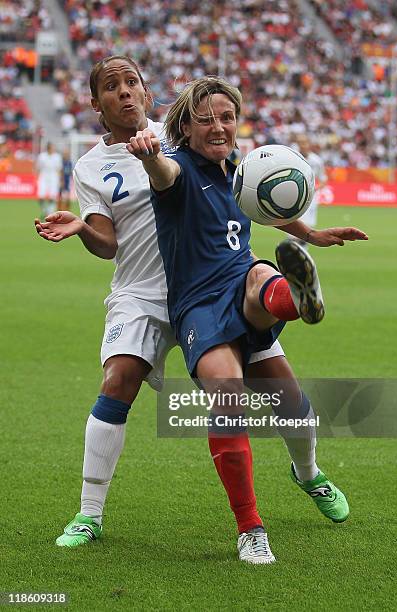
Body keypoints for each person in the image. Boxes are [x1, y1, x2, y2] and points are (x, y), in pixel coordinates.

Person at [34, 56, 291, 556]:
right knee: (119, 379)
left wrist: (304, 231)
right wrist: (84, 228)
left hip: (210, 284)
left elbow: (238, 189)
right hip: (143, 292)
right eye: (112, 86)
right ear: (96, 104)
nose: (125, 92)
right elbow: (108, 244)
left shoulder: (181, 134)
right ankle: (89, 514)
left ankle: (310, 473)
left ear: (148, 94)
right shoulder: (89, 166)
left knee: (285, 393)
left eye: (133, 82)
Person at [126, 76, 368, 564]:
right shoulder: (177, 170)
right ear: (186, 127)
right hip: (197, 303)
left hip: (242, 281)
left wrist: (312, 234)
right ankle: (250, 528)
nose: (218, 127)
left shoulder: (240, 169)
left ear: (237, 123)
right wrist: (149, 151)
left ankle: (308, 474)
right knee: (227, 394)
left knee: (293, 401)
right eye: (205, 119)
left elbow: (266, 208)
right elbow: (161, 171)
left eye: (226, 117)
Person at [293, 134, 328, 248]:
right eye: (300, 143)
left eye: (304, 142)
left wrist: (315, 189)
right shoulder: (293, 158)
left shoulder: (316, 161)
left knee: (308, 229)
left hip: (311, 199)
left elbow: (323, 179)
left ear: (309, 144)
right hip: (294, 197)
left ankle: (303, 254)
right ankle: (292, 253)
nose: (303, 145)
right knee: (294, 229)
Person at [36, 142, 63, 219]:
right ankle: (45, 210)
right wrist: (36, 177)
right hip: (43, 176)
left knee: (52, 197)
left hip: (54, 177)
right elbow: (38, 167)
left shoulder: (57, 157)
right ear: (48, 148)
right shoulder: (42, 156)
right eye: (52, 147)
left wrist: (61, 180)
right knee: (40, 196)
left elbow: (59, 169)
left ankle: (50, 213)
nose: (53, 148)